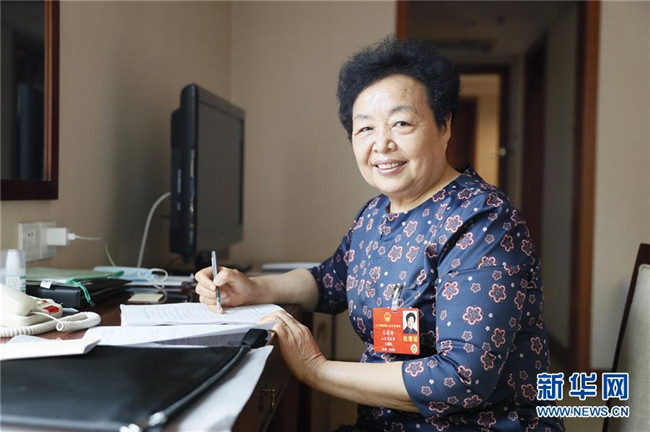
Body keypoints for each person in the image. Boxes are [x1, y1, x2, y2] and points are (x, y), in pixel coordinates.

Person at [195, 37, 564, 431]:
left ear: (444, 126)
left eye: (401, 123)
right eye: (365, 128)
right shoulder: (375, 215)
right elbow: (329, 281)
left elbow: (461, 379)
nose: (382, 144)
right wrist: (253, 289)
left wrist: (315, 369)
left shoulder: (482, 219)